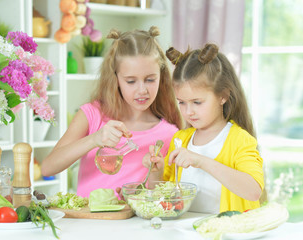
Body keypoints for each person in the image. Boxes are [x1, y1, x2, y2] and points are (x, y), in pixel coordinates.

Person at [41, 26, 183, 198]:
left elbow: (163, 195)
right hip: (89, 222)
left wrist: (155, 175)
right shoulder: (92, 115)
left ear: (161, 77)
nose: (142, 90)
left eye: (150, 79)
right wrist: (95, 139)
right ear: (115, 78)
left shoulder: (169, 134)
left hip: (134, 223)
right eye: (131, 81)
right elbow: (48, 167)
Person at [144, 43, 264, 213]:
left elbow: (253, 191)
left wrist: (200, 161)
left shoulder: (239, 140)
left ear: (223, 96)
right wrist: (156, 172)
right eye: (182, 103)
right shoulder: (180, 139)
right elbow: (163, 197)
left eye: (197, 102)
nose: (188, 111)